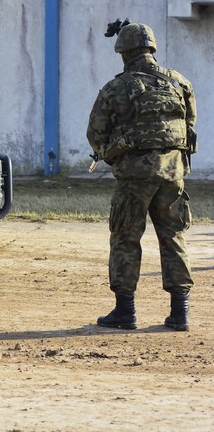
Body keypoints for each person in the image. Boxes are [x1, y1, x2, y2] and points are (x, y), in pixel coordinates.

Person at [87, 20, 197, 331]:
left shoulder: (115, 87)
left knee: (125, 238)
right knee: (174, 238)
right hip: (173, 175)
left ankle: (126, 312)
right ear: (151, 49)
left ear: (123, 52)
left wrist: (112, 153)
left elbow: (96, 133)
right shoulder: (179, 83)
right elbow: (189, 127)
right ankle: (181, 314)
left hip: (134, 178)